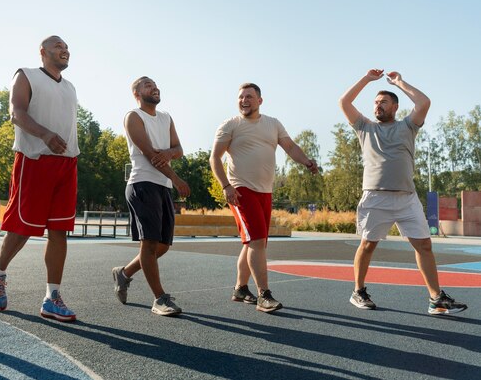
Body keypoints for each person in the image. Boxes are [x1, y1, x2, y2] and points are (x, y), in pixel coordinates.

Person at [340, 68, 467, 315]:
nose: (377, 106)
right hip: (375, 196)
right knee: (367, 245)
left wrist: (399, 82)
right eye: (375, 102)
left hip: (407, 198)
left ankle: (435, 298)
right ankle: (358, 291)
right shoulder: (364, 127)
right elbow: (344, 102)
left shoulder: (408, 126)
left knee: (424, 246)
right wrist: (366, 80)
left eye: (383, 102)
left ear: (395, 106)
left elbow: (424, 102)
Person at [0, 36, 80, 322]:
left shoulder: (70, 86)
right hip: (35, 158)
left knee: (59, 230)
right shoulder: (25, 75)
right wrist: (45, 135)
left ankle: (52, 296)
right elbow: (17, 113)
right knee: (24, 226)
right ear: (43, 52)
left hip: (67, 162)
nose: (64, 50)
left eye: (66, 47)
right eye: (58, 47)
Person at [210, 83, 319, 313]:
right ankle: (264, 295)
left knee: (255, 242)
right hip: (240, 190)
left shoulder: (273, 124)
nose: (244, 100)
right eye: (240, 97)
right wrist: (226, 186)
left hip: (265, 191)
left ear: (260, 100)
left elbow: (289, 146)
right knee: (258, 242)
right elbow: (215, 158)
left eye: (249, 96)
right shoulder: (230, 125)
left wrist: (307, 161)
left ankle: (240, 288)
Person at [111, 76, 191, 316]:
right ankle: (159, 299)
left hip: (162, 186)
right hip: (142, 184)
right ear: (137, 94)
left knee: (163, 246)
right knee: (149, 243)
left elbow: (178, 149)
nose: (154, 87)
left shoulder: (166, 118)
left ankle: (123, 273)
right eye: (147, 85)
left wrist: (168, 152)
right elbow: (149, 154)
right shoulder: (133, 116)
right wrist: (176, 179)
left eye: (155, 85)